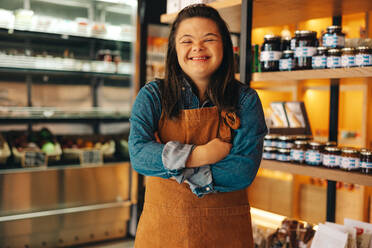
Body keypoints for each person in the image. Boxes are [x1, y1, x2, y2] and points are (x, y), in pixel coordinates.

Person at [129, 4, 267, 248]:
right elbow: (139, 155)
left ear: (224, 45)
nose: (197, 48)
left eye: (209, 39)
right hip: (163, 235)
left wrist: (171, 164)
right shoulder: (152, 96)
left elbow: (242, 171)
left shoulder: (245, 100)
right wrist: (198, 155)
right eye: (187, 40)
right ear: (174, 49)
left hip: (226, 236)